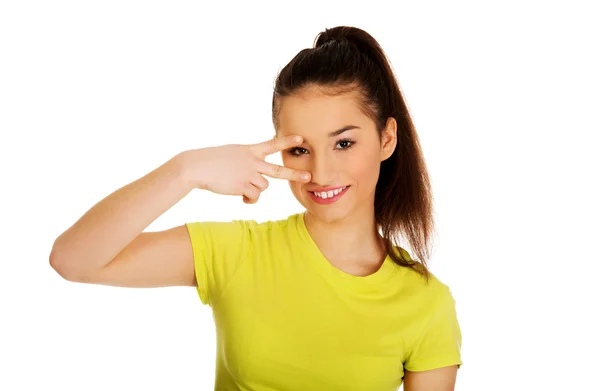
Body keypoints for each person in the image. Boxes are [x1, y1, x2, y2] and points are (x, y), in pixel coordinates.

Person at [49, 26, 462, 391]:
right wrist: (184, 170)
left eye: (344, 143)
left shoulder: (426, 305)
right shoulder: (236, 253)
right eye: (299, 150)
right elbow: (73, 260)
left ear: (387, 139)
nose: (320, 172)